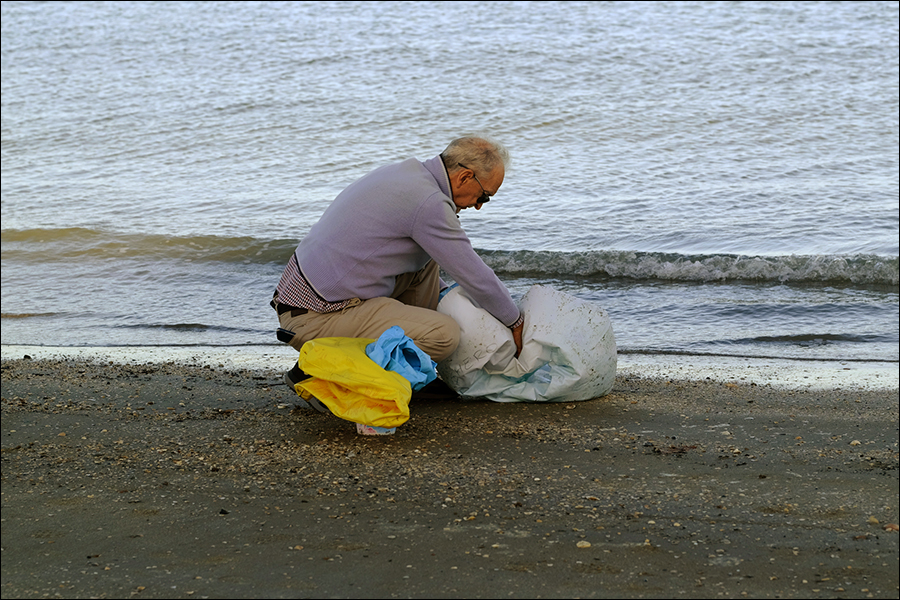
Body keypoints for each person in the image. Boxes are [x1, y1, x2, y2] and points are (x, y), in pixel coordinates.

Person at [271, 136, 524, 401]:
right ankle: (318, 369)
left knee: (428, 261)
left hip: (303, 303)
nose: (479, 205)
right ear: (464, 177)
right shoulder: (429, 203)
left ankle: (413, 370)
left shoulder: (408, 173)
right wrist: (514, 320)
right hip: (315, 318)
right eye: (484, 195)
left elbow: (453, 268)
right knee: (444, 335)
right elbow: (473, 273)